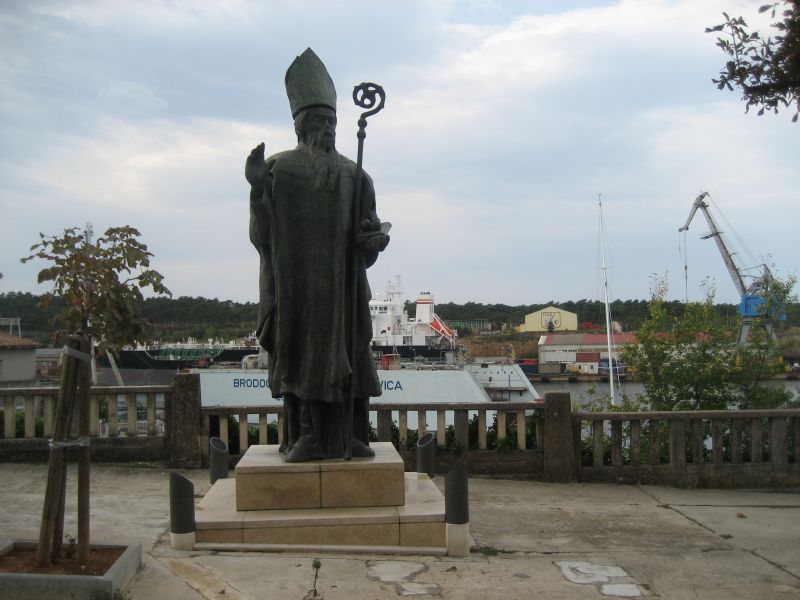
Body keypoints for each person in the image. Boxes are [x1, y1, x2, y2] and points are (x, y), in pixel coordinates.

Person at [245, 48, 389, 462]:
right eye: (318, 123)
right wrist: (258, 190)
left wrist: (372, 241)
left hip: (343, 288)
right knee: (303, 356)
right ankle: (306, 436)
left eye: (331, 123)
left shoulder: (356, 176)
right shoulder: (279, 170)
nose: (326, 130)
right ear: (301, 127)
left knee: (351, 354)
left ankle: (351, 435)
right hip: (299, 287)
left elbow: (369, 236)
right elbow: (263, 236)